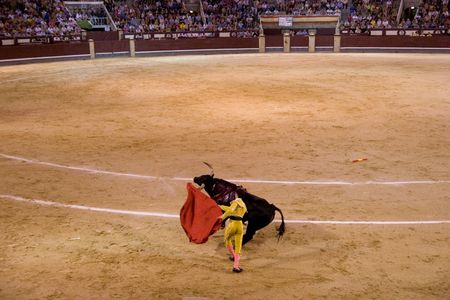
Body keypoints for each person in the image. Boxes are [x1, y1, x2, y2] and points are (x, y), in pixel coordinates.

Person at [218, 193, 247, 273]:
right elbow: (231, 209)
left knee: (227, 240)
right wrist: (220, 206)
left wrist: (222, 217)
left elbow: (230, 210)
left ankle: (234, 256)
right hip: (240, 226)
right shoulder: (243, 205)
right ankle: (236, 266)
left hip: (232, 224)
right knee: (238, 246)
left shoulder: (235, 202)